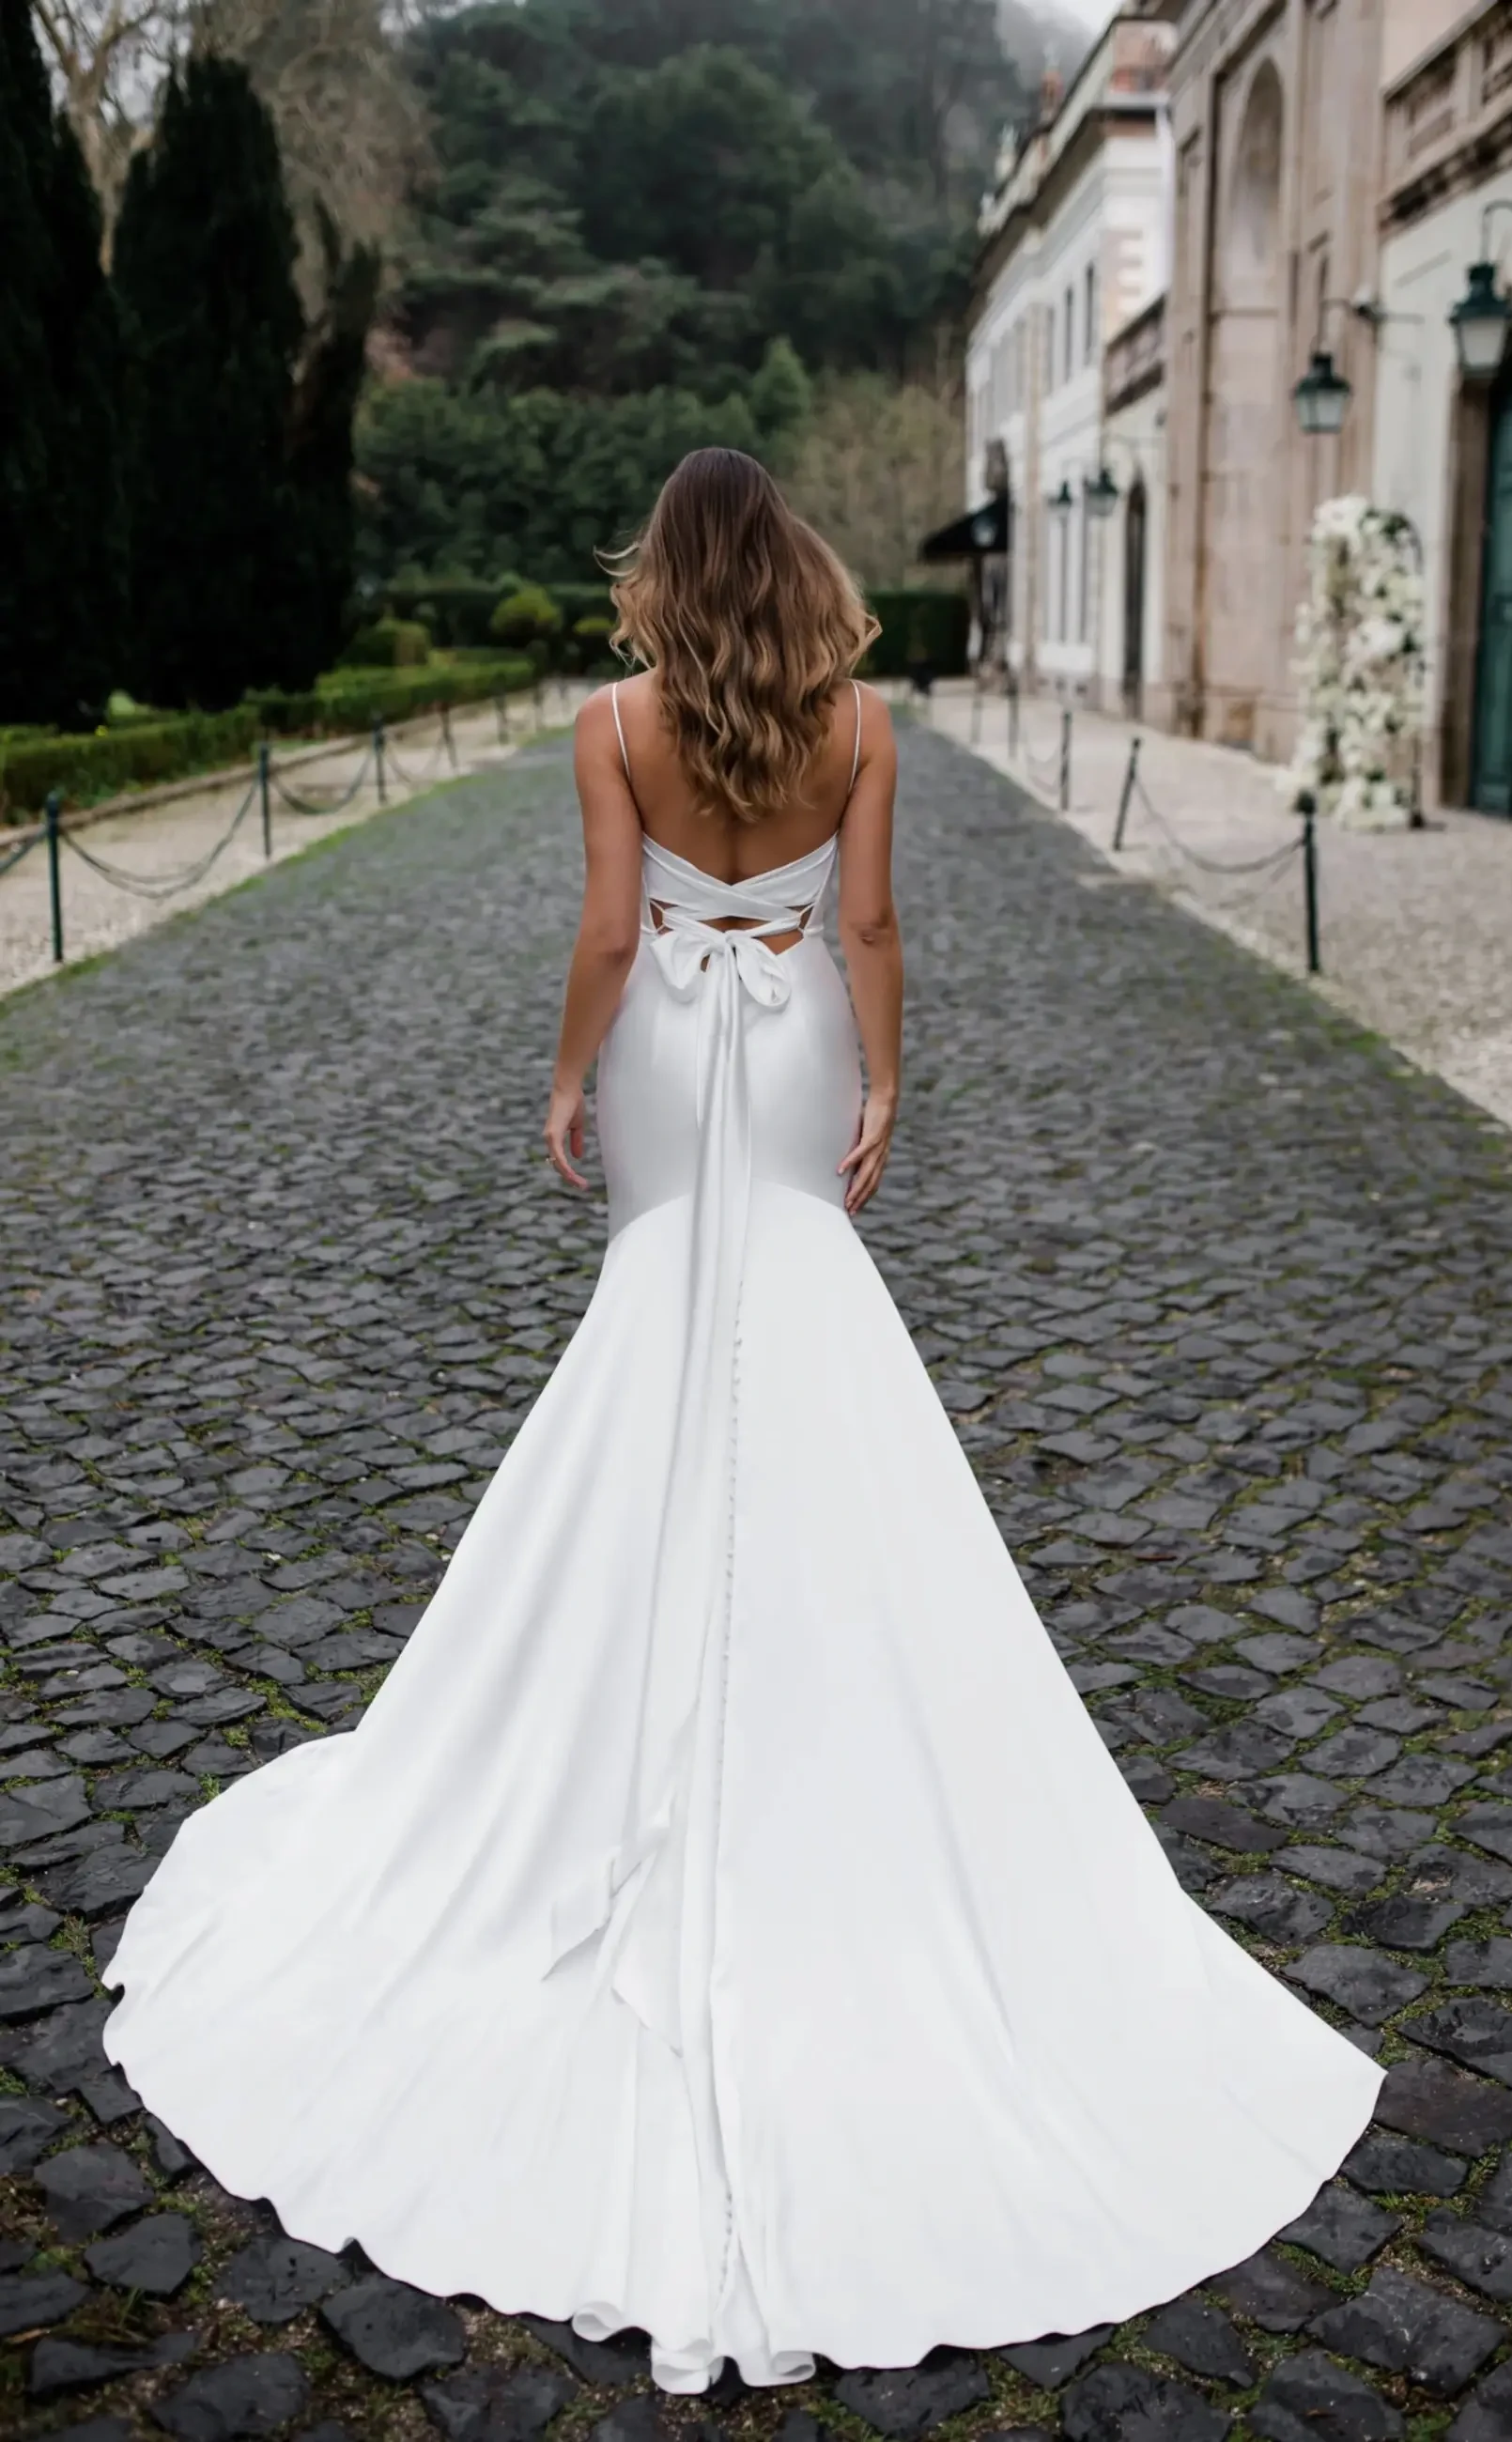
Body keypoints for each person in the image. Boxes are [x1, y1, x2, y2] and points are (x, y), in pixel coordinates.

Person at [104, 449, 1381, 2396]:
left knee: (658, 1319)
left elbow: (611, 937)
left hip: (661, 1046)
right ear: (788, 568)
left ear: (660, 574)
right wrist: (882, 1082)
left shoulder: (613, 724)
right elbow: (869, 930)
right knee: (797, 1309)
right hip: (787, 1044)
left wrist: (565, 1080)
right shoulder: (854, 722)